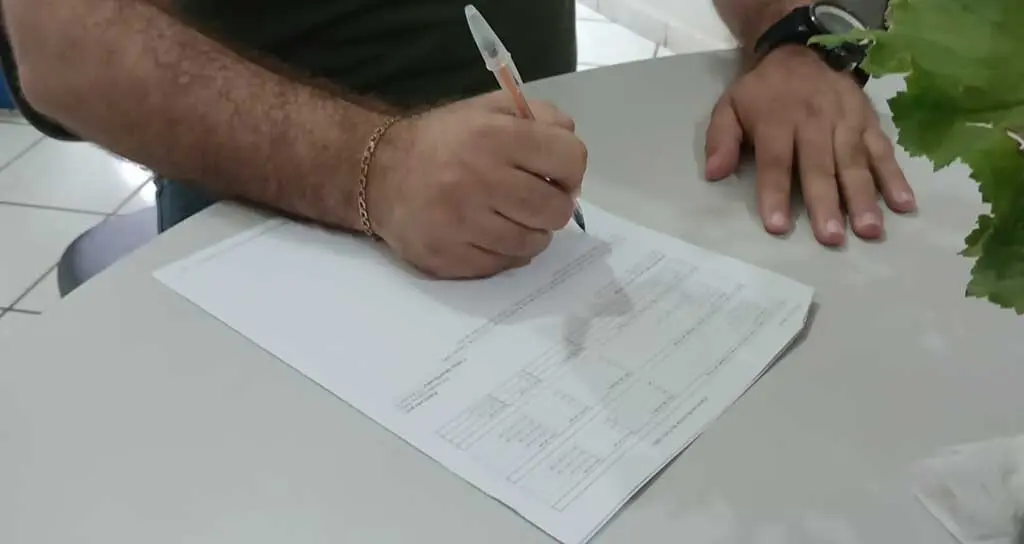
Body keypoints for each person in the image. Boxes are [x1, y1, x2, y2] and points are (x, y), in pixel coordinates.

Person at [3, 0, 915, 280]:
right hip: (274, 219)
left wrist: (790, 31)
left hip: (544, 214)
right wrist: (376, 167)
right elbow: (64, 45)